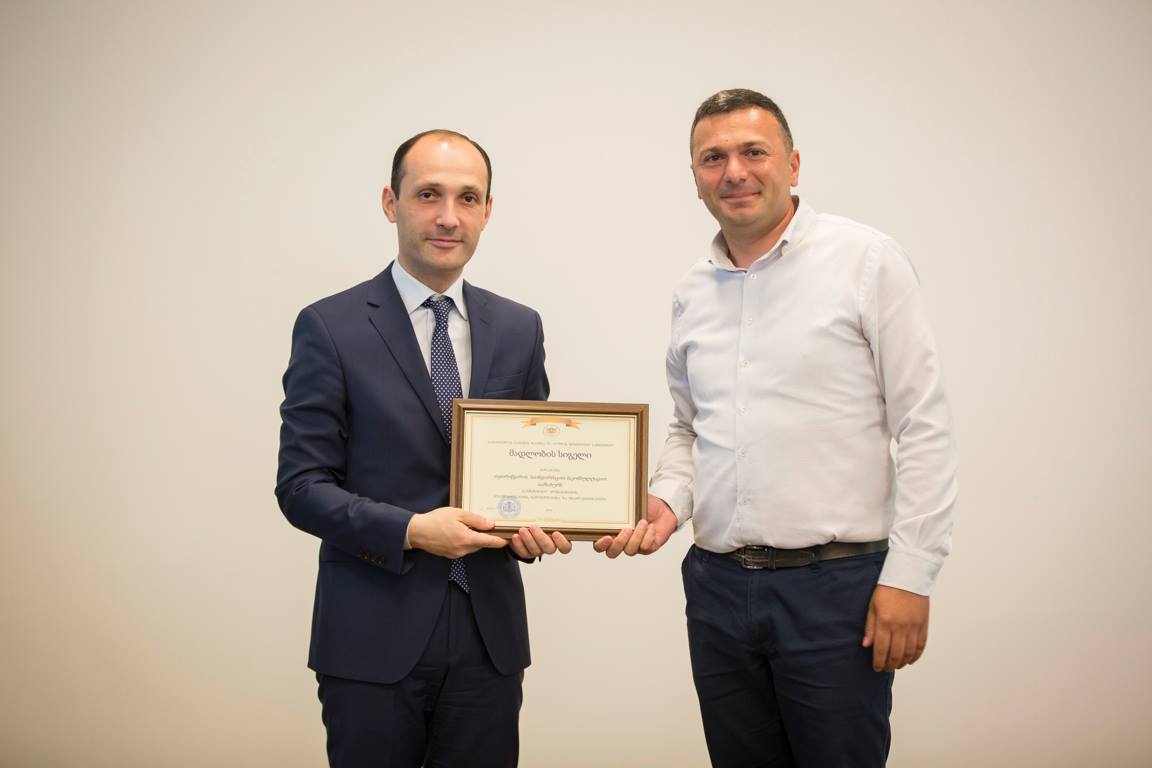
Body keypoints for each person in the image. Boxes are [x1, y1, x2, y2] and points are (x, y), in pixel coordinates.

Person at [595, 89, 958, 766]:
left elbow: (924, 425)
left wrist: (912, 575)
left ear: (792, 164)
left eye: (753, 152)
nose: (733, 171)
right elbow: (690, 428)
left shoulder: (866, 261)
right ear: (695, 177)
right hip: (717, 588)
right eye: (713, 158)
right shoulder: (692, 291)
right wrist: (666, 502)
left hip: (835, 591)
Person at [276, 129, 570, 768]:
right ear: (391, 202)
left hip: (488, 639)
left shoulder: (519, 328)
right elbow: (301, 488)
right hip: (371, 636)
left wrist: (537, 526)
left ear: (487, 211)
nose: (448, 217)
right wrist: (412, 530)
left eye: (468, 198)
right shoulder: (330, 326)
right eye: (428, 194)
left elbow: (532, 470)